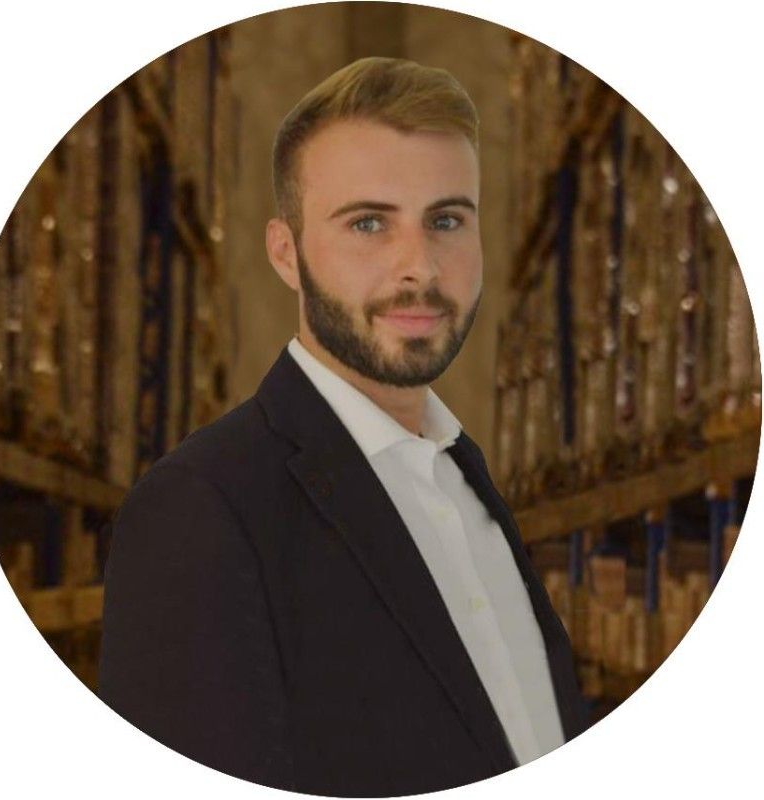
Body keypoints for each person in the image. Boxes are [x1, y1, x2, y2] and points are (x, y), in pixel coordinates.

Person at [98, 56, 588, 796]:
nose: (418, 266)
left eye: (447, 220)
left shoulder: (466, 480)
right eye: (368, 223)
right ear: (286, 254)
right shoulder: (200, 510)